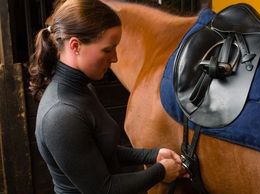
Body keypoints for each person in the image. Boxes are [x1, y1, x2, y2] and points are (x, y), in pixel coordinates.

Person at [29, 0, 186, 193]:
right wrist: (161, 171)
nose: (115, 58)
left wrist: (153, 155)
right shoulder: (61, 114)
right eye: (107, 49)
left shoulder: (83, 90)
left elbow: (101, 150)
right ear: (75, 45)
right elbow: (103, 189)